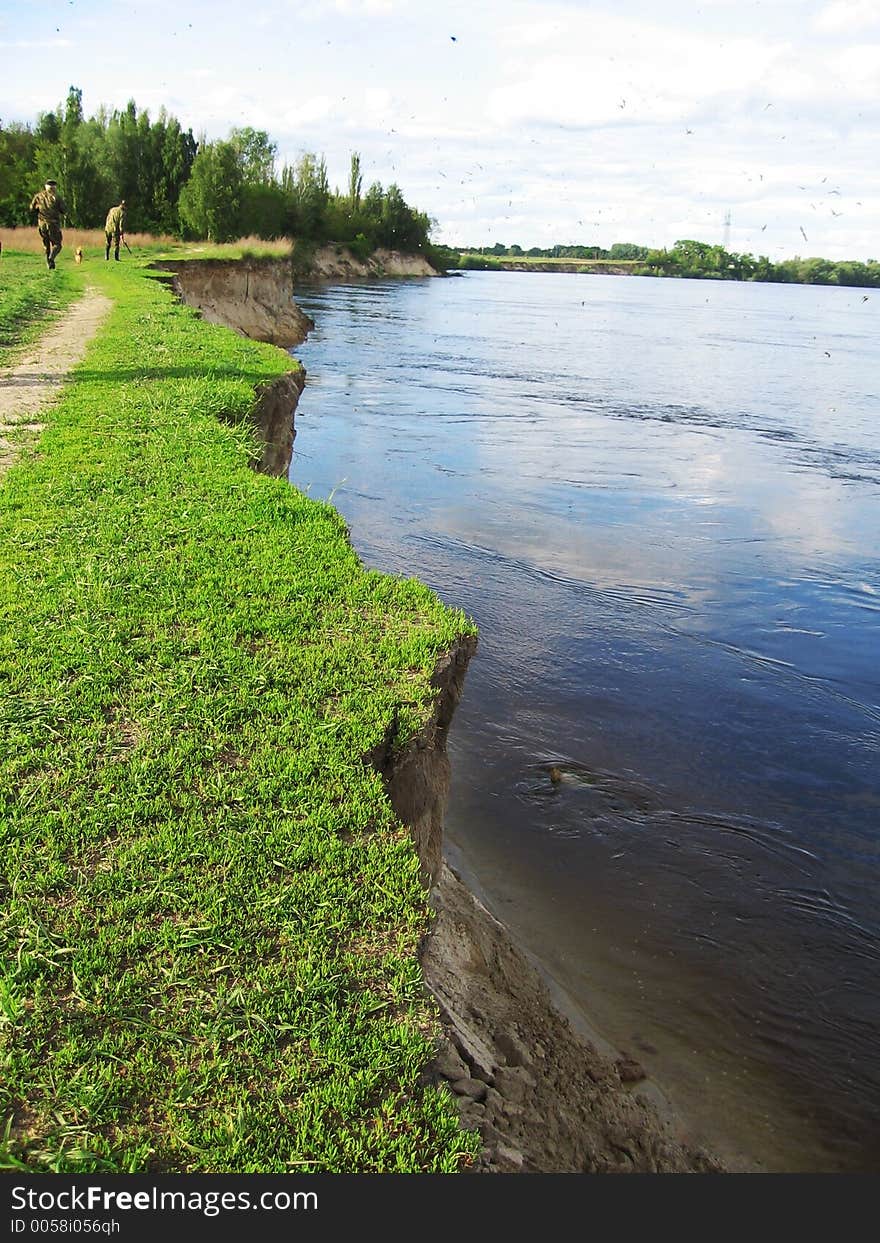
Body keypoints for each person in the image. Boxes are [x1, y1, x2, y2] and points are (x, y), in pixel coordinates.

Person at [29, 179, 67, 269]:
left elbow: (31, 208)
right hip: (53, 224)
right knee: (57, 245)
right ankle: (51, 258)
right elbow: (63, 210)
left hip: (41, 224)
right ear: (55, 187)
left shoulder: (38, 196)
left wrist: (38, 209)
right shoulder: (57, 197)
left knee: (46, 244)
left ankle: (49, 264)